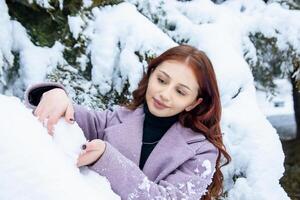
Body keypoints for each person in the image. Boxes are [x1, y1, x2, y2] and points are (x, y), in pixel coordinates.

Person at [24, 44, 231, 200]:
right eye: (161, 80)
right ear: (151, 75)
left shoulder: (201, 152)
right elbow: (72, 115)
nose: (164, 94)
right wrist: (55, 94)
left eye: (180, 91)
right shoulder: (116, 118)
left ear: (193, 103)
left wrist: (106, 159)